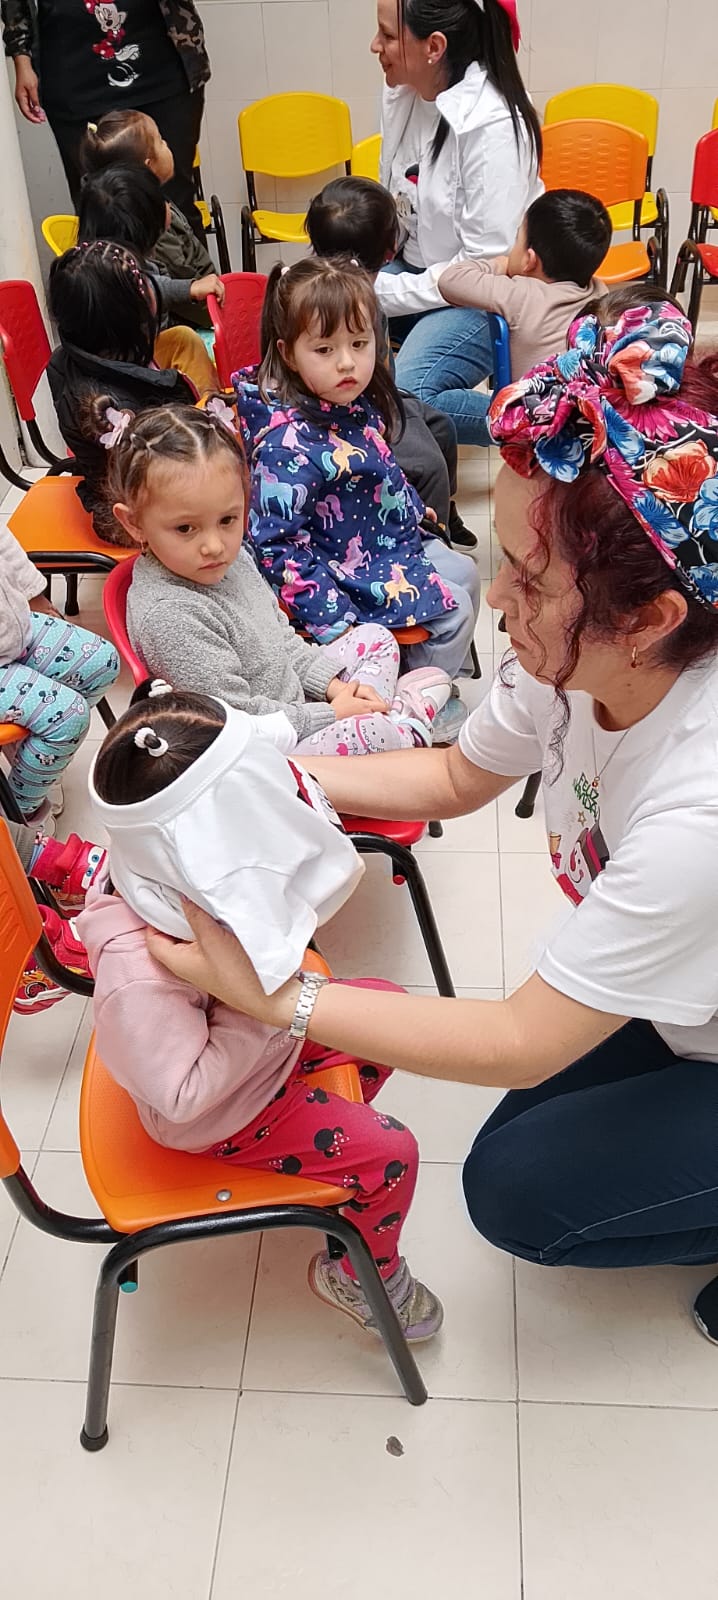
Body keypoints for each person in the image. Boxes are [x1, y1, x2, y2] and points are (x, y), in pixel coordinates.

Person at [147, 294, 718, 1346]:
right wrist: (262, 769)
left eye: (529, 580)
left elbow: (516, 1038)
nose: (494, 600)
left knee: (516, 1193)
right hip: (691, 997)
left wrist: (274, 996)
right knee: (524, 1136)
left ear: (648, 619)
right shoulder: (570, 660)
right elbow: (454, 774)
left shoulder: (699, 808)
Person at [77, 680, 444, 1341]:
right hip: (216, 1115)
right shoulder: (140, 971)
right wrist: (262, 1008)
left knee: (387, 1014)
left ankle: (323, 1160)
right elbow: (182, 1097)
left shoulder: (168, 873)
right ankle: (362, 1275)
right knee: (392, 1153)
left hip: (259, 1052)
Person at [111, 403, 460, 755]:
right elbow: (236, 721)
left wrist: (336, 689)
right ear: (133, 523)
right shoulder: (171, 617)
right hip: (261, 750)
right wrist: (332, 714)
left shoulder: (230, 560)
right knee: (373, 733)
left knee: (376, 638)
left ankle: (383, 716)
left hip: (295, 706)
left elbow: (281, 640)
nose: (214, 545)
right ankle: (404, 725)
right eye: (186, 528)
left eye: (228, 519)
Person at [235, 256, 480, 681]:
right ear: (288, 354)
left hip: (374, 539)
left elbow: (381, 467)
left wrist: (411, 506)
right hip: (338, 572)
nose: (347, 362)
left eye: (359, 344)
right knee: (454, 614)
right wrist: (335, 622)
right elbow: (276, 547)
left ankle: (430, 677)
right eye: (324, 349)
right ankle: (411, 701)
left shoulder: (343, 401)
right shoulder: (285, 444)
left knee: (468, 573)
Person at [372, 0, 543, 444]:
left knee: (407, 396)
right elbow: (402, 203)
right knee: (318, 325)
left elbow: (483, 267)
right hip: (422, 272)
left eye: (387, 35)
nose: (375, 46)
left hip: (483, 293)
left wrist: (383, 291)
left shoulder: (494, 124)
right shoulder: (406, 94)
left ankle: (548, 418)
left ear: (434, 46)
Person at [305, 173, 477, 549]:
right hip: (349, 409)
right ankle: (429, 545)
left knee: (442, 428)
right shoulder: (341, 302)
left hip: (378, 394)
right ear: (389, 251)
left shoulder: (346, 288)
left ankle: (444, 511)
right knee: (428, 466)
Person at [1, 0, 209, 238]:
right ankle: (112, 264)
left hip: (161, 65)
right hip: (73, 73)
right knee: (99, 206)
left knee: (176, 202)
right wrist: (22, 58)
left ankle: (190, 263)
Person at [46, 240, 199, 542]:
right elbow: (170, 479)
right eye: (142, 282)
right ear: (128, 315)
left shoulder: (67, 357)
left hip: (115, 490)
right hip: (138, 519)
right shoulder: (123, 405)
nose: (151, 286)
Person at [437, 189, 612, 442]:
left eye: (518, 237)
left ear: (530, 260)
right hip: (591, 427)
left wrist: (500, 264)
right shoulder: (600, 292)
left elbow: (450, 280)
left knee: (420, 396)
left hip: (535, 434)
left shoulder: (520, 294)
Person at [0, 521, 119, 822]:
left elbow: (3, 541)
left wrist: (33, 595)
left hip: (12, 628)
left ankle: (34, 762)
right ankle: (18, 818)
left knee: (102, 661)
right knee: (67, 715)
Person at [78, 159, 218, 334]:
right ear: (146, 229)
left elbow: (153, 285)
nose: (168, 205)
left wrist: (188, 289)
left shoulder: (102, 260)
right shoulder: (120, 284)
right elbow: (145, 288)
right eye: (161, 200)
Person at [80, 108, 214, 284]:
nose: (166, 144)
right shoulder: (153, 228)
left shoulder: (140, 207)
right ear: (148, 167)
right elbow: (183, 277)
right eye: (160, 141)